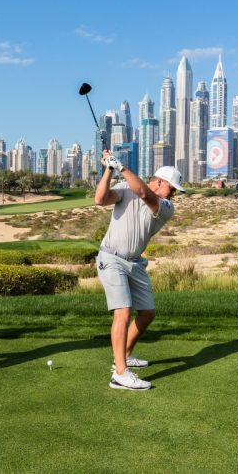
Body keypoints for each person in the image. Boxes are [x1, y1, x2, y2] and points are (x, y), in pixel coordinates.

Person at [94, 150, 184, 390]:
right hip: (111, 258)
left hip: (135, 263)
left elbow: (144, 193)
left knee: (147, 313)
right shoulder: (125, 188)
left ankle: (123, 356)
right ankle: (120, 374)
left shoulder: (166, 207)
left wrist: (121, 166)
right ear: (159, 182)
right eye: (172, 188)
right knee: (123, 311)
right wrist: (109, 169)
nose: (174, 194)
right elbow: (100, 200)